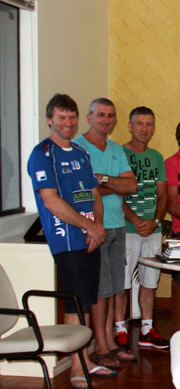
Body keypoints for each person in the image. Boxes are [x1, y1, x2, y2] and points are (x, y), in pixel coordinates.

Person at [27, 94, 111, 387]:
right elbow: (51, 202)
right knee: (75, 304)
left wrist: (97, 227)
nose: (67, 123)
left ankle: (86, 358)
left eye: (71, 117)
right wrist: (89, 228)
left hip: (91, 237)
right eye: (61, 117)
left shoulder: (80, 152)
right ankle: (76, 366)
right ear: (49, 119)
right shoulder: (42, 153)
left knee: (86, 301)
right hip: (68, 241)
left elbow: (95, 193)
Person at [73, 98, 138, 366]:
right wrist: (109, 185)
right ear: (89, 117)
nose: (106, 120)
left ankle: (110, 341)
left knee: (113, 289)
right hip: (93, 228)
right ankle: (100, 346)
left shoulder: (115, 148)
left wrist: (102, 179)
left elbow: (132, 185)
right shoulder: (77, 147)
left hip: (117, 224)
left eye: (110, 115)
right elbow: (83, 190)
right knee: (100, 290)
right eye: (101, 115)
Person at [117, 106, 169, 351]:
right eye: (139, 124)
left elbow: (162, 194)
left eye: (149, 124)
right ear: (130, 126)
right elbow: (115, 192)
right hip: (126, 229)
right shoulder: (118, 154)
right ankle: (120, 329)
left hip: (153, 231)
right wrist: (135, 220)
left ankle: (147, 329)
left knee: (150, 281)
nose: (144, 129)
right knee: (122, 283)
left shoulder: (157, 157)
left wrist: (156, 221)